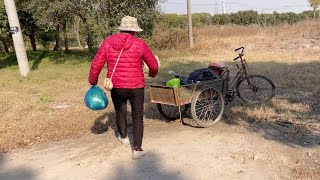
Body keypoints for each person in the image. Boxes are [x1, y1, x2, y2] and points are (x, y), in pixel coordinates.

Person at [88, 16, 159, 159]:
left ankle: (124, 137)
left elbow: (96, 64)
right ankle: (137, 149)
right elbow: (154, 65)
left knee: (120, 111)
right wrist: (152, 74)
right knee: (137, 115)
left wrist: (93, 81)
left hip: (117, 86)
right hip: (136, 86)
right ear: (134, 31)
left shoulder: (108, 42)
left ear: (121, 29)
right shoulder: (140, 44)